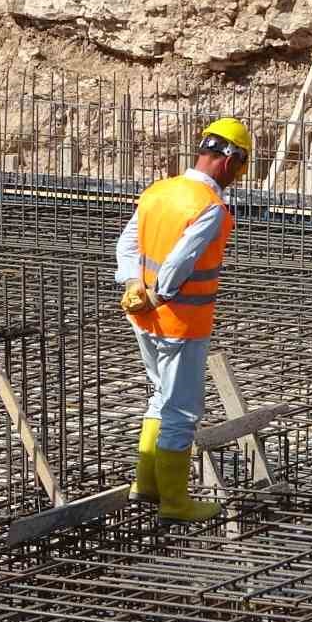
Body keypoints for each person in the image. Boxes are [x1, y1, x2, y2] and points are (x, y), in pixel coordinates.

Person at [115, 117, 250, 524]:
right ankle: (175, 502)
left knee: (159, 394)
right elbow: (179, 264)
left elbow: (126, 246)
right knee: (182, 410)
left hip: (143, 317)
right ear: (231, 161)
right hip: (181, 322)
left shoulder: (159, 191)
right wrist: (160, 293)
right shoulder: (209, 207)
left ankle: (147, 485)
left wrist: (135, 287)